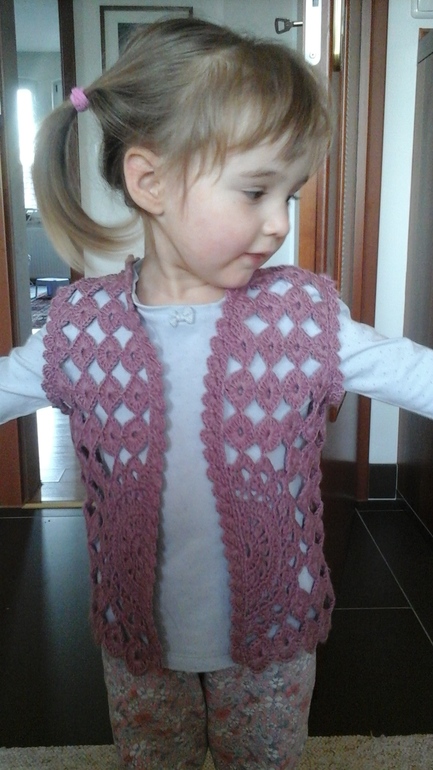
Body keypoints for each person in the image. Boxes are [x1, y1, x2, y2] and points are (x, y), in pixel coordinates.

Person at [1, 16, 433, 770]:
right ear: (150, 182)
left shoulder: (301, 319)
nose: (278, 224)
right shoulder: (82, 333)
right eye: (256, 191)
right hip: (138, 640)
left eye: (290, 195)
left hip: (272, 637)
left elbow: (411, 372)